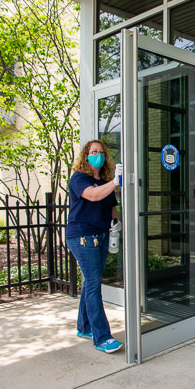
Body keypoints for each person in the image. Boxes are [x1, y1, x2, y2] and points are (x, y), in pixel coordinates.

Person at [66, 139, 123, 353]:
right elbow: (92, 195)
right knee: (92, 283)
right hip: (82, 237)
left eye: (101, 151)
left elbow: (111, 208)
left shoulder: (105, 181)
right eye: (93, 151)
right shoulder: (79, 179)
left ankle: (84, 326)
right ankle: (102, 338)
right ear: (86, 155)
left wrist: (116, 226)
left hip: (101, 236)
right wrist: (116, 182)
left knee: (91, 282)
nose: (97, 154)